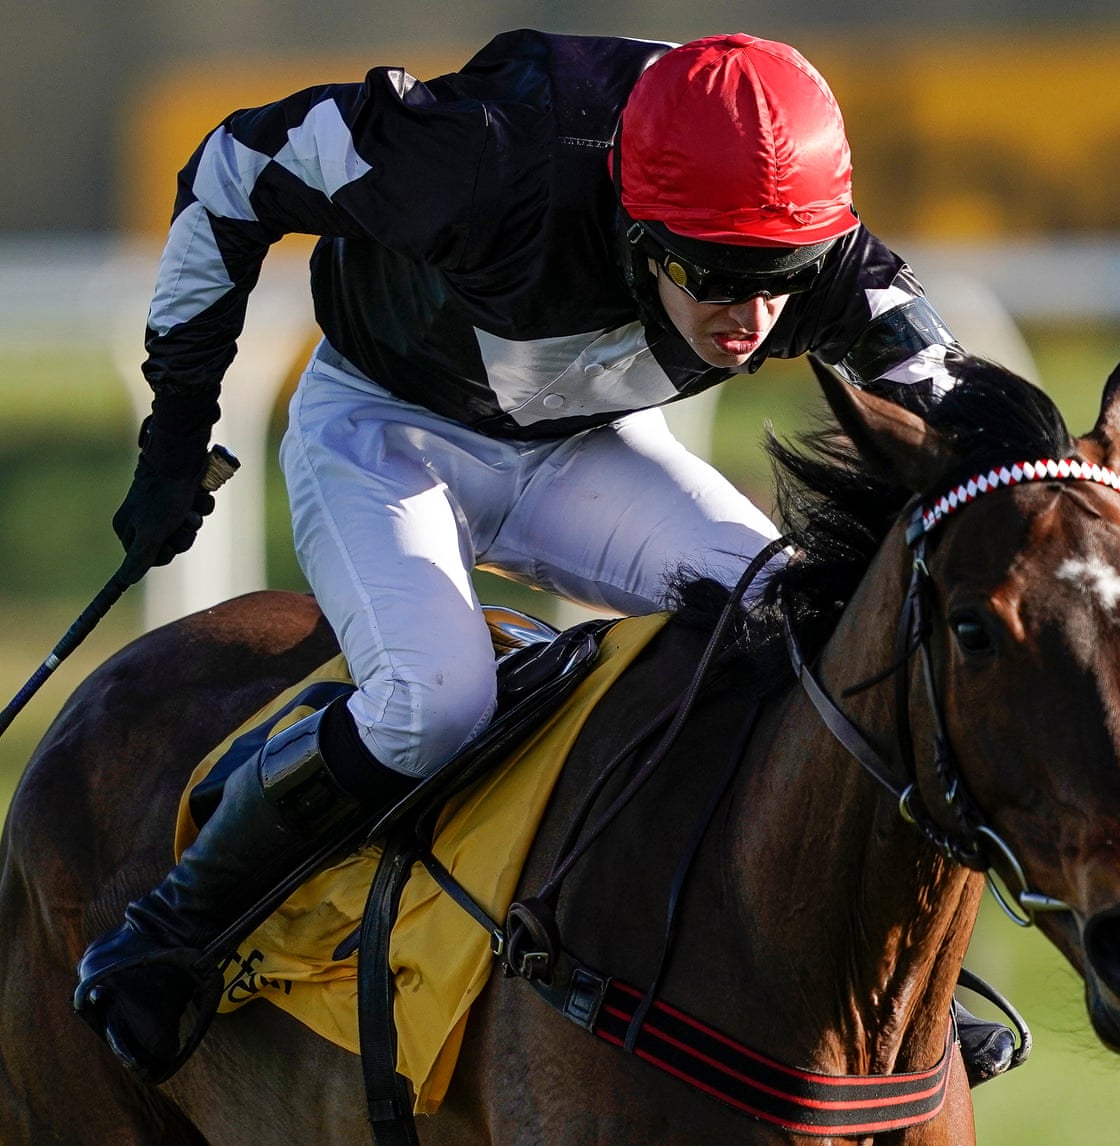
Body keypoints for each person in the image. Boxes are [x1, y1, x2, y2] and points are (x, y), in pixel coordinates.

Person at [74, 30, 1013, 1085]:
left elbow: (983, 443)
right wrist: (176, 430)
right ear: (638, 225)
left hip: (581, 443)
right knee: (434, 703)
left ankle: (868, 973)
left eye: (784, 277)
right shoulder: (481, 159)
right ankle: (175, 923)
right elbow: (231, 168)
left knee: (805, 633)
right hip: (381, 428)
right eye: (716, 276)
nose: (753, 319)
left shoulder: (809, 243)